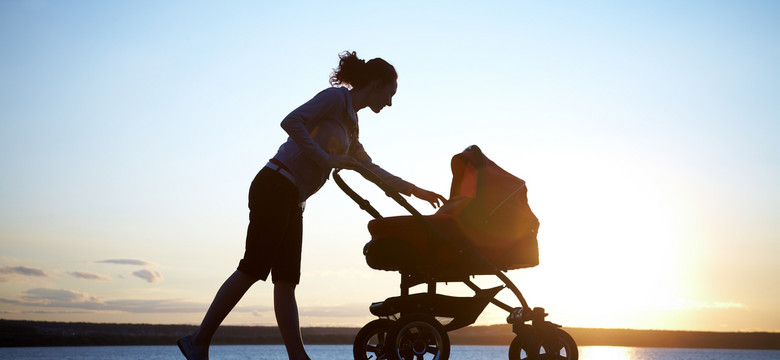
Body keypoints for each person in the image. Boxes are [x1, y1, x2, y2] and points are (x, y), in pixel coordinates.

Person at [177, 51, 446, 360]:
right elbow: (291, 121)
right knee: (253, 267)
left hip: (293, 198)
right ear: (375, 84)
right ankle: (198, 340)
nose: (389, 102)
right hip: (274, 184)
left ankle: (297, 357)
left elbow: (371, 170)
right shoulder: (335, 99)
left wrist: (414, 190)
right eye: (389, 93)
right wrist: (327, 159)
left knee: (287, 280)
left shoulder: (351, 126)